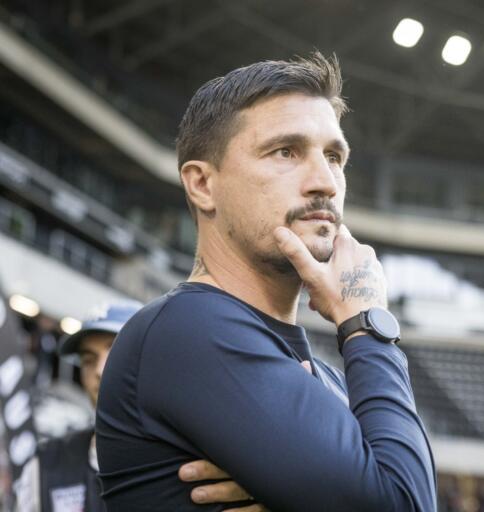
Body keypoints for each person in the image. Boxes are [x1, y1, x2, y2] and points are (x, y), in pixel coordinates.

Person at [96, 52, 437, 511]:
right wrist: (368, 321)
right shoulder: (187, 329)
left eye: (334, 157)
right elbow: (405, 503)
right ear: (202, 185)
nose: (325, 183)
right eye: (285, 152)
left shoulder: (327, 377)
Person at [13, 302, 260, 512]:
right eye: (88, 359)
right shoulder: (46, 462)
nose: (99, 370)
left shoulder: (204, 469)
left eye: (117, 351)